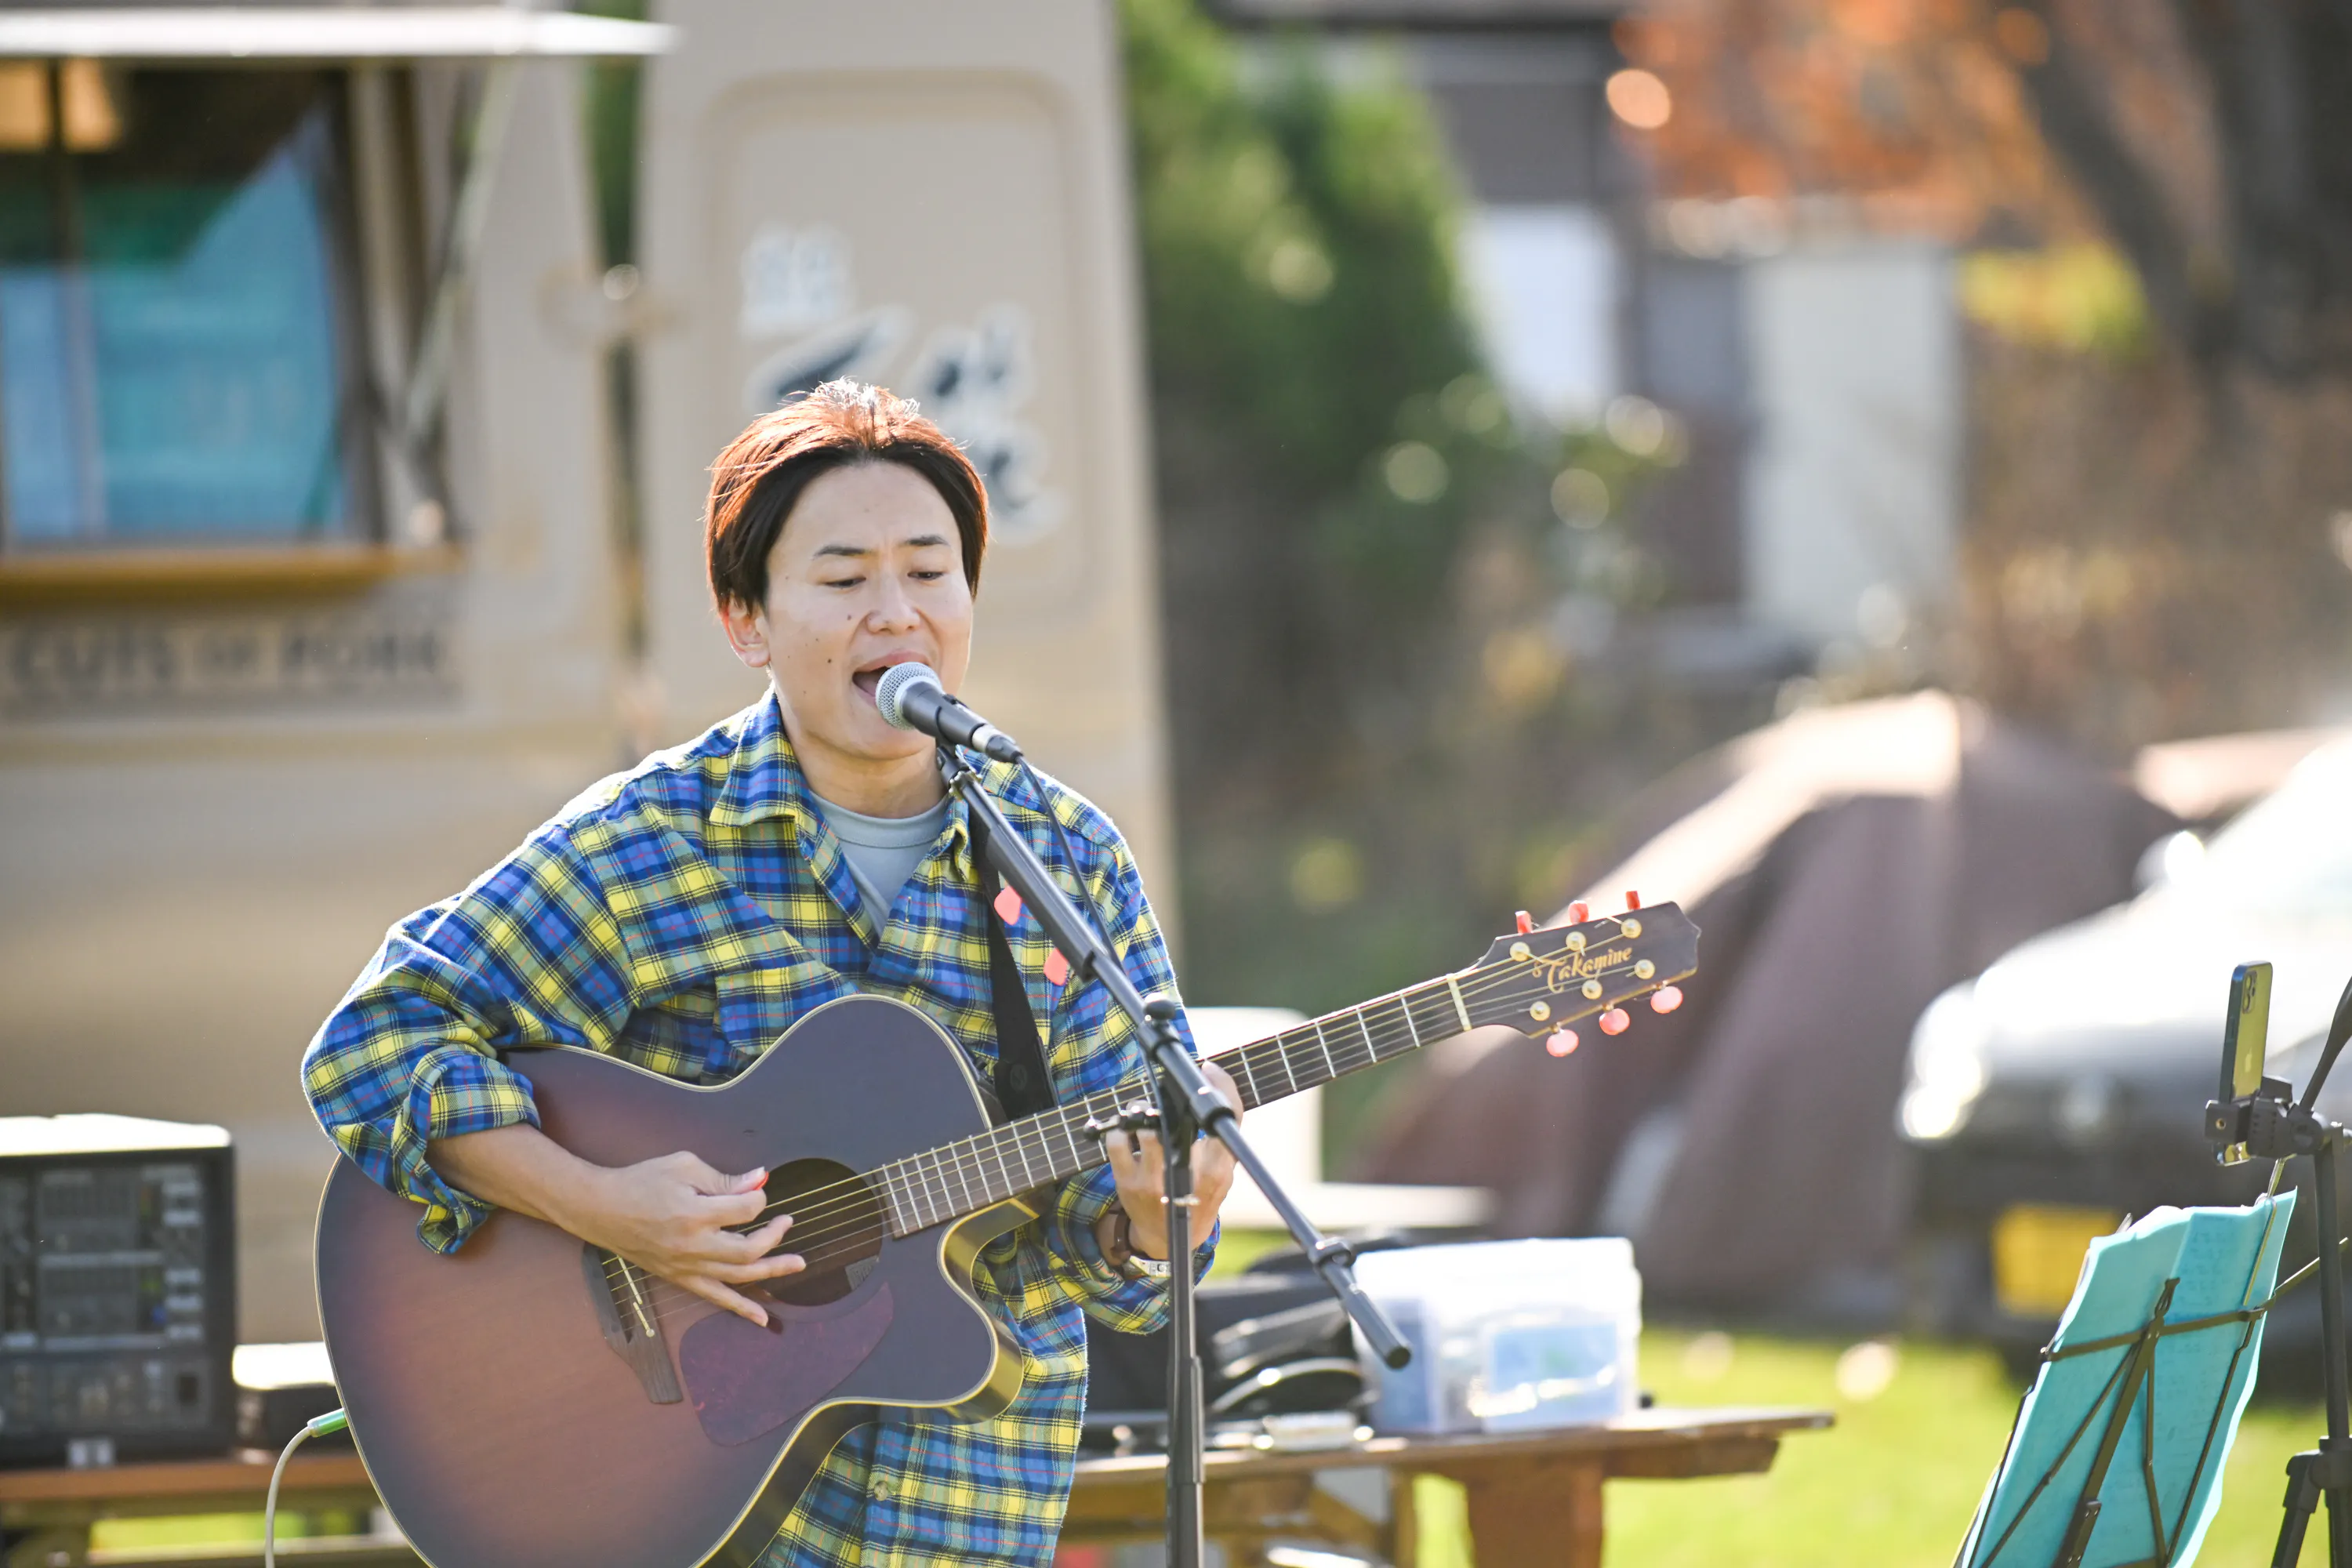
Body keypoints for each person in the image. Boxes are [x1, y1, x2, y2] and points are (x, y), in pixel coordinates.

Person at [303, 380, 1239, 1566]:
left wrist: (1159, 1222)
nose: (896, 613)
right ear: (747, 620)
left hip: (966, 1519)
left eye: (930, 571)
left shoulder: (1064, 858)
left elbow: (1128, 1282)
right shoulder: (656, 839)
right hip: (693, 1521)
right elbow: (376, 1040)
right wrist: (601, 1206)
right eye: (845, 581)